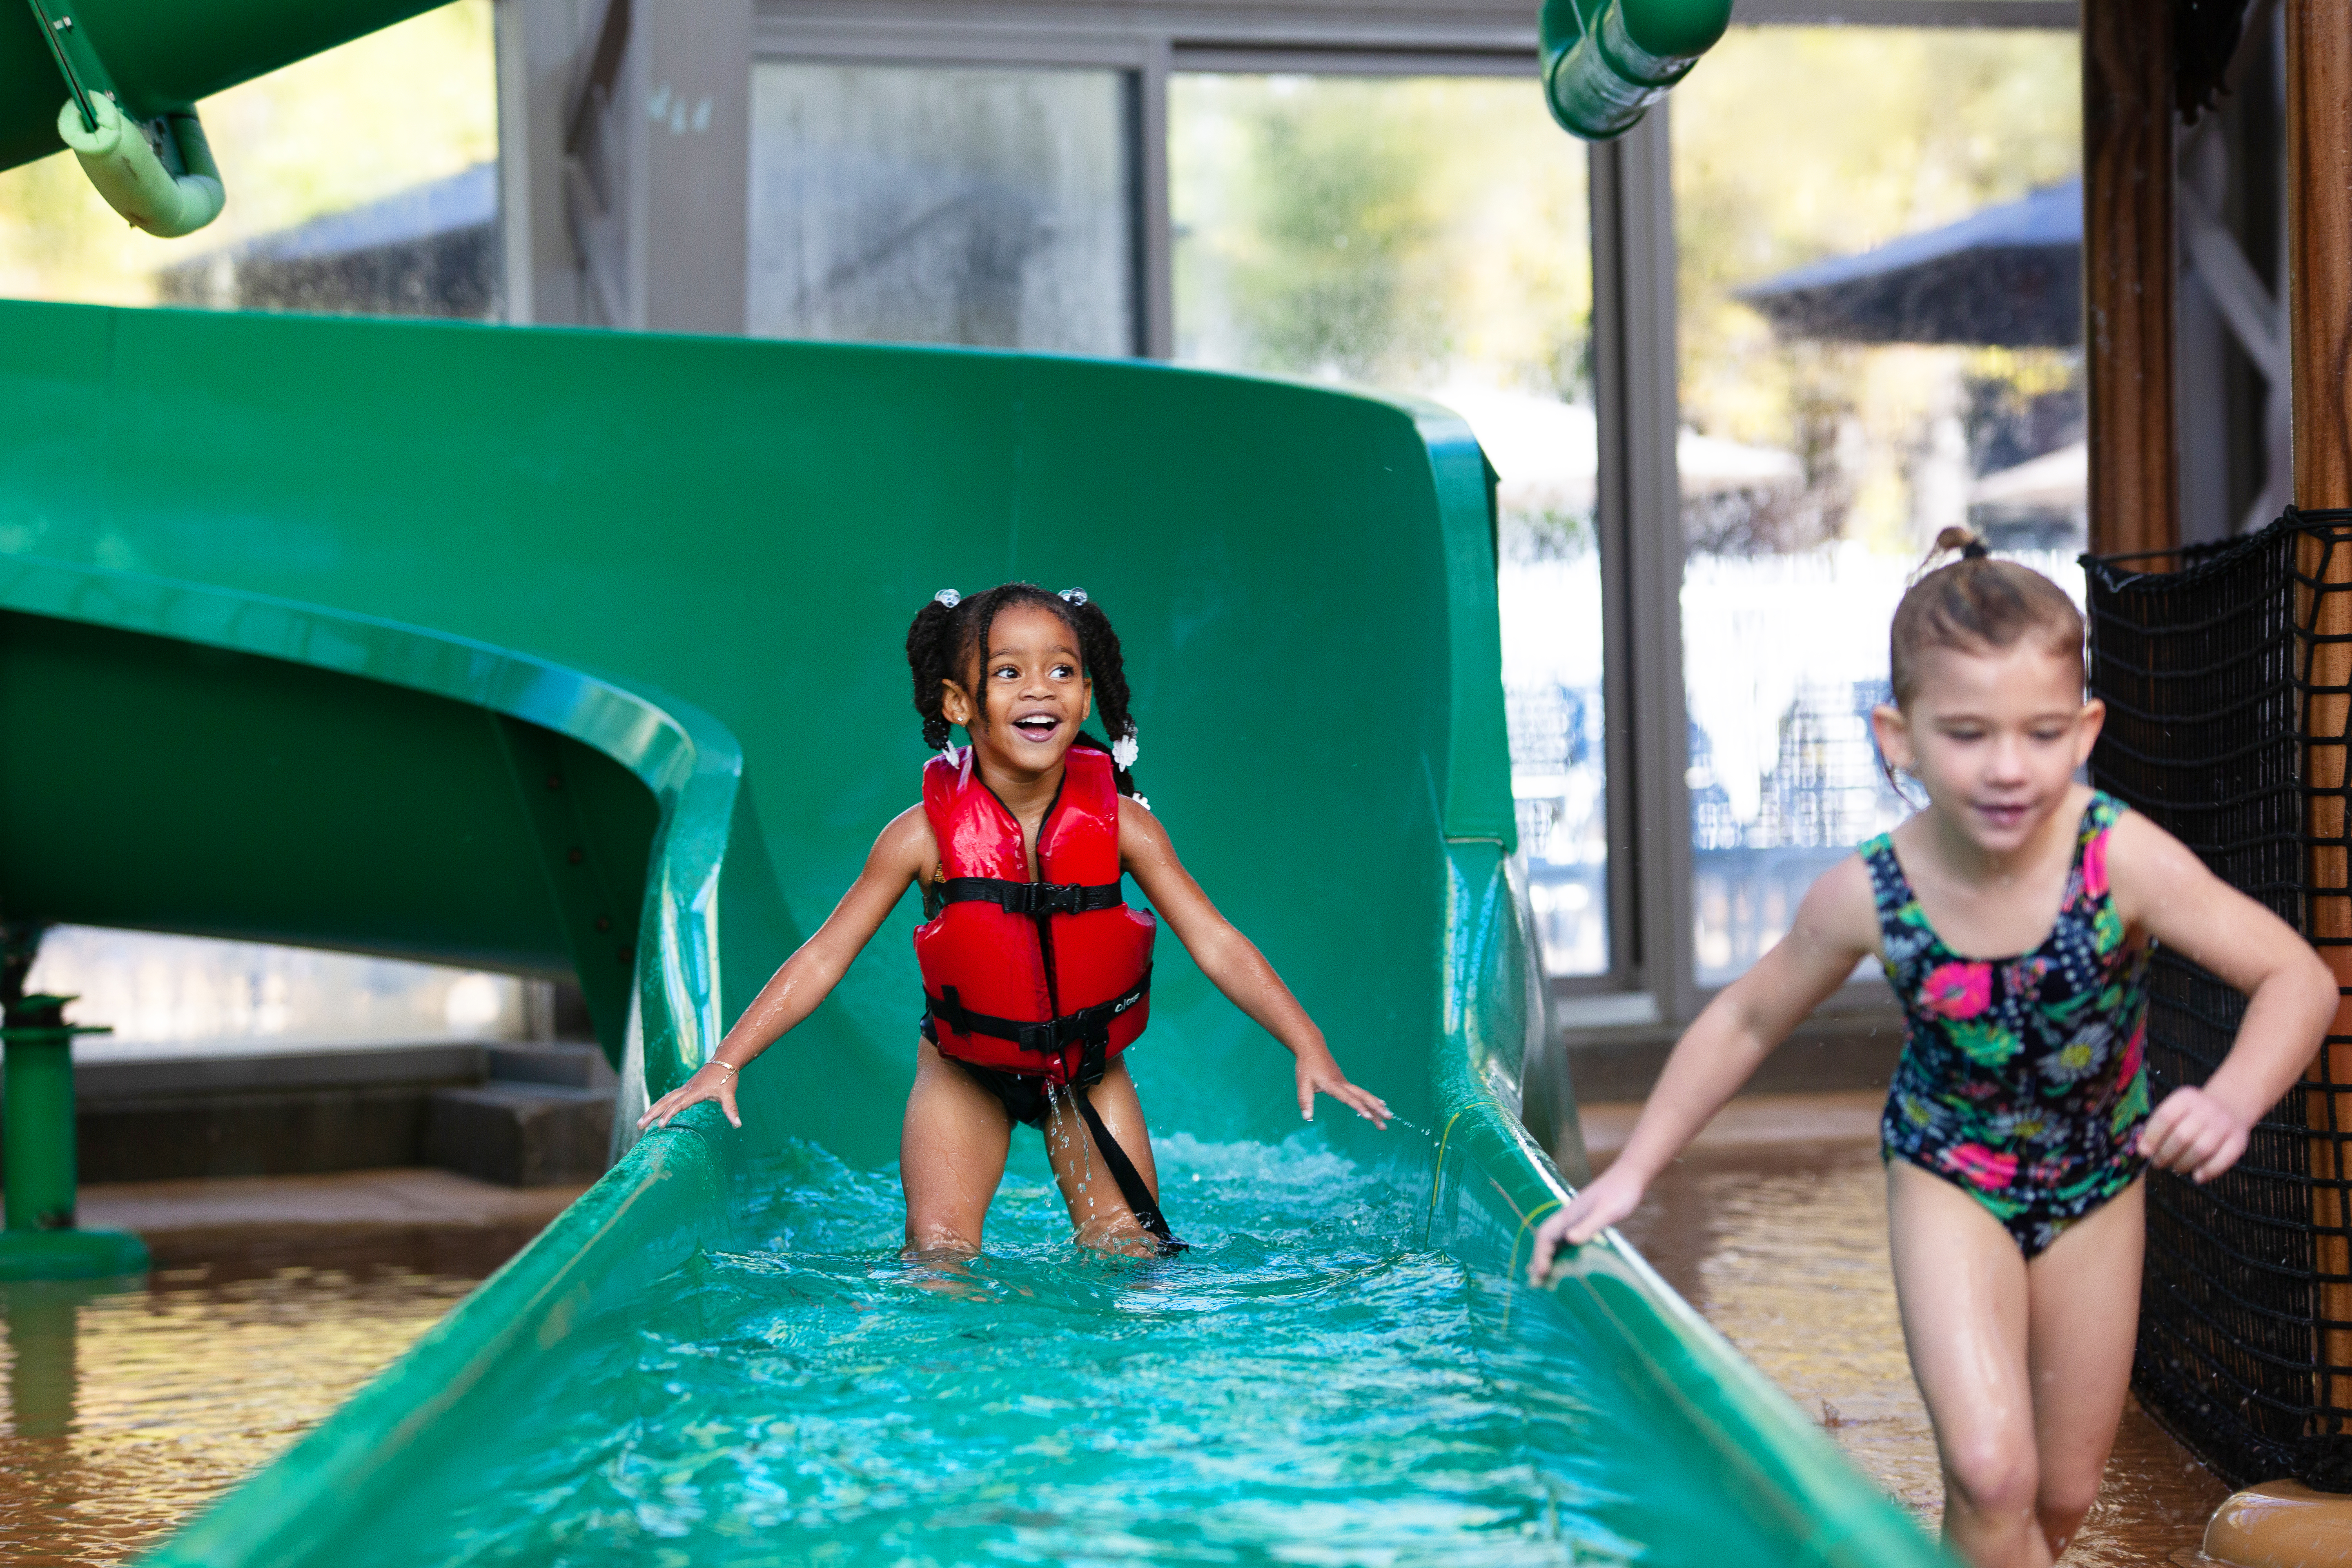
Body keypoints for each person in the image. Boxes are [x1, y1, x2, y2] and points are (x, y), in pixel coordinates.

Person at [1527, 530, 2337, 1568]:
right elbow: (1744, 1017)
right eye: (1967, 734)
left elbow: (2297, 978)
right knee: (1992, 1473)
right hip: (1949, 1176)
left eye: (2042, 733)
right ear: (1896, 736)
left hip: (2100, 1182)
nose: (2009, 768)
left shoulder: (2119, 857)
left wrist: (2230, 1099)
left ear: (2086, 730)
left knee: (2055, 1496)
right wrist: (1633, 1171)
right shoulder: (1872, 890)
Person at [639, 581, 1390, 1256]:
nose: (1041, 690)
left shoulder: (1125, 826)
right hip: (965, 1075)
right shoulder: (920, 838)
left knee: (1131, 1252)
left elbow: (1217, 942)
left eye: (1062, 671)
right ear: (958, 704)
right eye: (1009, 673)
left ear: (1089, 696)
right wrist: (725, 1064)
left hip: (1088, 1076)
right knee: (937, 1254)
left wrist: (1307, 1042)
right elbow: (823, 958)